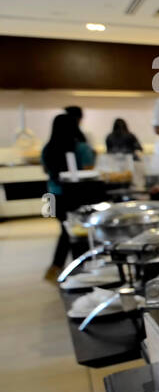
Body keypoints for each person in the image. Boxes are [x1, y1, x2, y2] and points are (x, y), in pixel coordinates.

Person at [42, 113, 96, 280]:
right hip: (73, 196)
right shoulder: (81, 148)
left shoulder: (47, 149)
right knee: (74, 233)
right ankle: (74, 268)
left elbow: (46, 170)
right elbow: (89, 171)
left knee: (67, 230)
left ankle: (62, 267)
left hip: (51, 196)